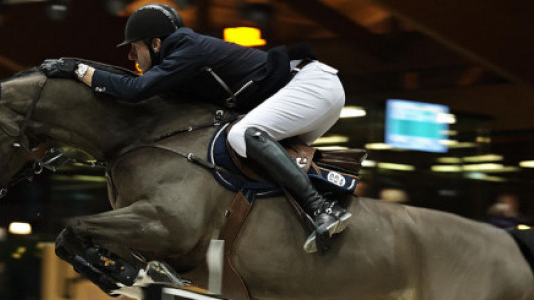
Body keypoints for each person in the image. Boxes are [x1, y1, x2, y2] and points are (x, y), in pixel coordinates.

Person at [42, 3, 350, 253]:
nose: (131, 56)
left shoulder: (185, 47)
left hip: (312, 85)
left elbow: (135, 90)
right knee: (251, 159)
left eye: (135, 47)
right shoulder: (182, 61)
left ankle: (323, 209)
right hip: (311, 92)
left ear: (157, 42)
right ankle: (309, 217)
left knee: (243, 135)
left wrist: (80, 70)